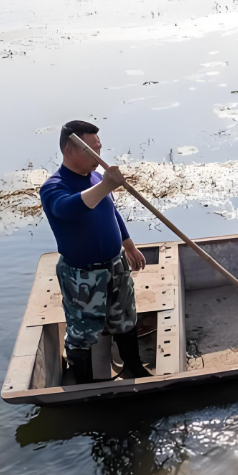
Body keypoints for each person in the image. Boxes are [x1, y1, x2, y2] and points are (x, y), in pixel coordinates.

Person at [39, 120, 151, 383]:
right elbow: (68, 209)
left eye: (99, 148)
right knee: (82, 331)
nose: (98, 156)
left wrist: (129, 245)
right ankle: (83, 382)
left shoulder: (97, 177)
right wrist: (105, 187)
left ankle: (134, 367)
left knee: (125, 318)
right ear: (69, 150)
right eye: (91, 150)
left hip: (116, 265)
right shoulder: (54, 187)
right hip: (83, 275)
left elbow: (111, 212)